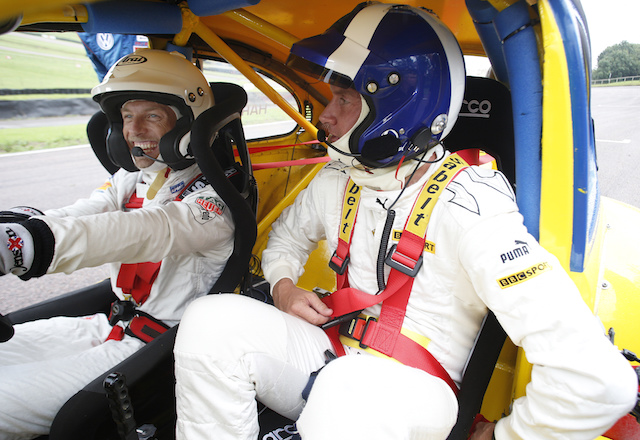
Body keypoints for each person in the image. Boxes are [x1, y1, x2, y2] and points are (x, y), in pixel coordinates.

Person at [172, 3, 637, 440]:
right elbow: (286, 240)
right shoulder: (338, 175)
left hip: (415, 386)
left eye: (343, 99)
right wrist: (284, 287)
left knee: (344, 393)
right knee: (208, 322)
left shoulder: (471, 205)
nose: (326, 117)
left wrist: (505, 433)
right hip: (334, 351)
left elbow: (596, 380)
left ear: (399, 106)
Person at [0, 49, 236, 439]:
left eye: (152, 116)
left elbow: (146, 231)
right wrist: (23, 225)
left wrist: (30, 244)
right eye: (127, 116)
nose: (134, 130)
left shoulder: (215, 197)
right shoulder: (134, 179)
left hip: (153, 351)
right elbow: (85, 213)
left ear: (189, 124)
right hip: (108, 324)